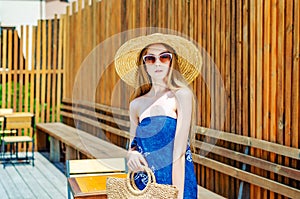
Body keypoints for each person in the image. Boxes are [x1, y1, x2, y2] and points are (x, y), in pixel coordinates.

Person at [114, 33, 202, 199]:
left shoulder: (181, 95)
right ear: (144, 64)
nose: (158, 63)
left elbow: (180, 153)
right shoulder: (136, 104)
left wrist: (176, 195)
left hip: (176, 181)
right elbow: (132, 145)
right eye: (150, 58)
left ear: (172, 61)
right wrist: (132, 154)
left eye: (164, 57)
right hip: (145, 184)